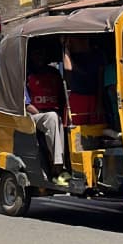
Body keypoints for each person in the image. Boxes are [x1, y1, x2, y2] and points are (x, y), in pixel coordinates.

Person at [25, 42, 71, 184]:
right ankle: (58, 166)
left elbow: (63, 98)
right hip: (35, 115)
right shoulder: (27, 75)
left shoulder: (54, 73)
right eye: (36, 54)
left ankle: (68, 167)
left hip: (54, 114)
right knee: (52, 118)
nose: (39, 57)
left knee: (61, 121)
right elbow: (26, 104)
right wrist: (42, 112)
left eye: (41, 54)